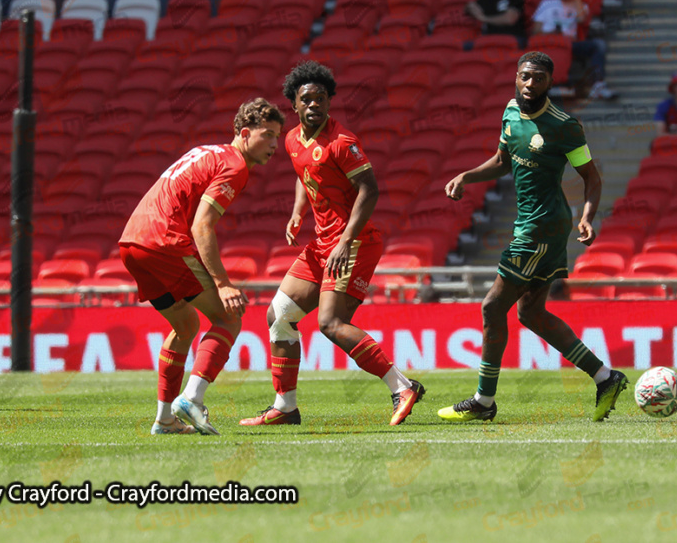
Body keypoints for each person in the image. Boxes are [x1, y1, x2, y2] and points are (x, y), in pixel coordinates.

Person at [437, 51, 627, 423]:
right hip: (532, 223)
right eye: (525, 76)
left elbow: (591, 176)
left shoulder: (564, 126)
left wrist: (588, 217)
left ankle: (484, 401)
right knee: (531, 312)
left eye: (538, 78)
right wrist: (466, 176)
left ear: (550, 82)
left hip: (542, 227)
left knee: (493, 307)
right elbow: (502, 161)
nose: (530, 84)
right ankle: (606, 377)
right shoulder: (511, 112)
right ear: (516, 77)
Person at [239, 61, 426, 428]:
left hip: (353, 242)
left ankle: (402, 387)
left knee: (331, 322)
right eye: (307, 99)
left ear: (329, 101)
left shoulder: (342, 142)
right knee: (279, 315)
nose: (314, 105)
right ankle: (285, 407)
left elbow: (370, 190)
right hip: (322, 242)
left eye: (321, 98)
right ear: (294, 103)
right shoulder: (292, 139)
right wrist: (298, 211)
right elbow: (303, 173)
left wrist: (345, 240)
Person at [118, 98, 285, 435]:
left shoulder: (208, 151)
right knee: (228, 318)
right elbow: (202, 226)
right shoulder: (234, 165)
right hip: (163, 241)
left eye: (277, 137)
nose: (274, 145)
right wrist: (223, 284)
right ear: (244, 133)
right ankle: (191, 399)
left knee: (185, 325)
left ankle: (165, 420)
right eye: (267, 135)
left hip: (132, 242)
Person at [531, 0, 615, 100]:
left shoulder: (579, 5)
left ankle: (597, 85)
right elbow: (536, 30)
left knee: (598, 45)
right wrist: (552, 33)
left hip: (570, 43)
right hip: (548, 43)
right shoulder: (547, 3)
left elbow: (581, 18)